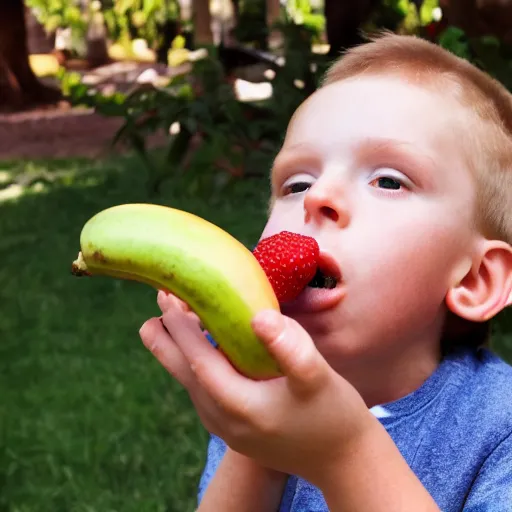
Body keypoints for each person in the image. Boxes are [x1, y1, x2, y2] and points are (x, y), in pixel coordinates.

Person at [139, 32, 512, 511]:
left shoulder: (498, 426)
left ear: (473, 280)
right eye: (296, 183)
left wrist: (345, 452)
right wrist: (257, 448)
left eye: (389, 180)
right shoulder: (255, 391)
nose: (318, 198)